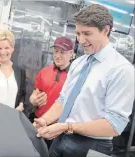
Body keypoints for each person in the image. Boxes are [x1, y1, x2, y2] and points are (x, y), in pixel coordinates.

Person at [33, 4, 134, 157]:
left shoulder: (121, 69)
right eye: (78, 33)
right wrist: (45, 120)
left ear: (105, 30)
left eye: (87, 33)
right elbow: (63, 100)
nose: (80, 40)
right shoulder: (79, 63)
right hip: (60, 138)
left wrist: (68, 126)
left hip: (94, 145)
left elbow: (114, 125)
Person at [29, 36, 74, 148]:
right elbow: (34, 95)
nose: (57, 56)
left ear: (71, 53)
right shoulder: (44, 71)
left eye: (62, 52)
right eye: (56, 51)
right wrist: (34, 100)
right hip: (39, 122)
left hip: (60, 129)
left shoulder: (74, 76)